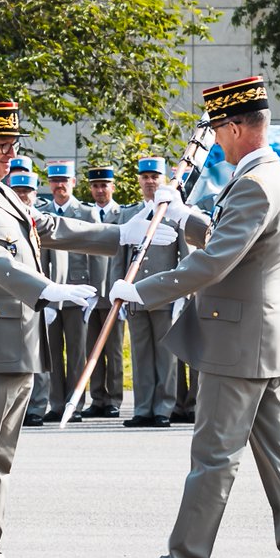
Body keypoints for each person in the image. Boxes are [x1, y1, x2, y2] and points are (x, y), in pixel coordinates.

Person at [0, 100, 175, 558]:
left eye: (13, 147)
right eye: (2, 147)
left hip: (18, 341)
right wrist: (46, 290)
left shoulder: (2, 193)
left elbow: (50, 228)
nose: (10, 156)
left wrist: (120, 235)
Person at [111, 76, 280, 558]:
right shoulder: (277, 177)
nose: (214, 142)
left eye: (217, 130)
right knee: (278, 457)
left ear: (234, 127)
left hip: (238, 342)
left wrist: (143, 291)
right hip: (261, 339)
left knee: (212, 457)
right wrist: (187, 218)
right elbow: (233, 240)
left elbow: (216, 262)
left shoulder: (253, 183)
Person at [117, 156, 185, 428]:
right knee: (140, 354)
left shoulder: (174, 214)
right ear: (139, 181)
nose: (150, 182)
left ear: (163, 179)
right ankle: (143, 408)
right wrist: (117, 292)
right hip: (134, 296)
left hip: (164, 296)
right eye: (145, 177)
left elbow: (185, 258)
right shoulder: (129, 215)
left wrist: (182, 294)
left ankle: (163, 408)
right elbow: (118, 258)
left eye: (155, 177)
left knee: (165, 357)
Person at [38, 159, 96, 422]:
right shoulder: (42, 213)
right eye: (54, 181)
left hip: (78, 291)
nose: (59, 186)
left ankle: (75, 403)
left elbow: (98, 257)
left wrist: (95, 294)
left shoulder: (86, 213)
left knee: (76, 351)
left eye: (64, 181)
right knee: (52, 352)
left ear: (73, 182)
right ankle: (56, 402)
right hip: (50, 293)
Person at [7, 170, 51, 428]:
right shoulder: (7, 215)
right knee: (18, 353)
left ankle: (37, 407)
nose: (22, 195)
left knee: (39, 353)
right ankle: (19, 409)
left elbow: (56, 255)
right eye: (18, 190)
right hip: (15, 292)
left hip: (44, 292)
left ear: (35, 193)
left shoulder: (36, 218)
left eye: (27, 191)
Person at [82, 165, 125, 419]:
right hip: (90, 294)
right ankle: (97, 398)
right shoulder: (85, 216)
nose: (100, 190)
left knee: (114, 350)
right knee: (92, 349)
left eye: (104, 185)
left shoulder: (123, 215)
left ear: (113, 187)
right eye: (96, 186)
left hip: (113, 294)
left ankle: (114, 398)